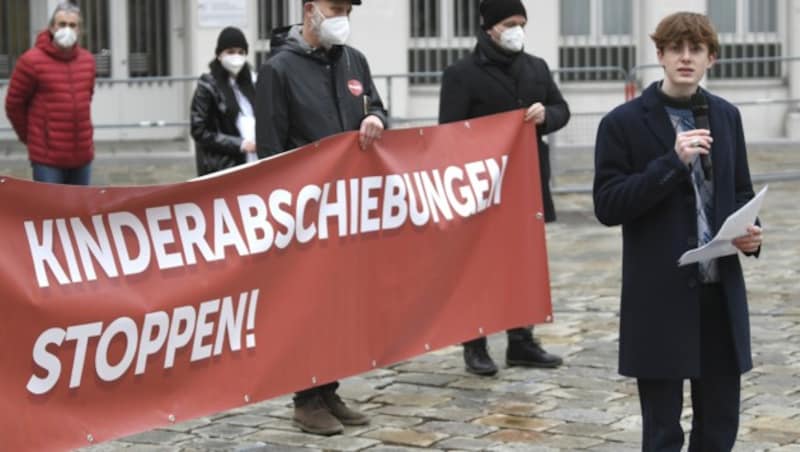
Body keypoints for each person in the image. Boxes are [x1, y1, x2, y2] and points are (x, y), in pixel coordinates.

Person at [593, 12, 763, 451]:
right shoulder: (623, 123)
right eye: (676, 49)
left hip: (718, 294)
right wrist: (671, 164)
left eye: (696, 50)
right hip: (659, 295)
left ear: (712, 58)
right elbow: (608, 205)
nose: (685, 57)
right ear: (661, 55)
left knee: (720, 425)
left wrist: (750, 233)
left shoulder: (726, 117)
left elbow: (740, 189)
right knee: (663, 430)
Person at [254, 0, 387, 436]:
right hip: (303, 212)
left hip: (346, 211)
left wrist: (374, 117)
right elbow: (271, 148)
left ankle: (328, 387)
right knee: (304, 305)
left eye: (348, 8)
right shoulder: (279, 69)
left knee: (339, 304)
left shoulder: (354, 61)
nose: (342, 16)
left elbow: (378, 107)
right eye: (335, 6)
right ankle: (305, 399)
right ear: (310, 9)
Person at [438, 0, 568, 377]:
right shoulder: (461, 74)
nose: (517, 30)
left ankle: (521, 340)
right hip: (481, 190)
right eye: (510, 23)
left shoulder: (536, 68)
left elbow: (562, 109)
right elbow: (450, 134)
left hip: (526, 186)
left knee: (523, 264)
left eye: (521, 23)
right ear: (490, 26)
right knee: (477, 267)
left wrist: (547, 116)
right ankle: (474, 343)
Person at [4, 2, 96, 185]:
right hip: (48, 160)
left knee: (80, 211)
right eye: (62, 24)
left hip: (81, 156)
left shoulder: (87, 61)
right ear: (52, 28)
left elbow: (87, 97)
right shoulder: (31, 61)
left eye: (72, 25)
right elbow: (14, 105)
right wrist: (32, 138)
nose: (67, 29)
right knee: (50, 212)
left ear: (79, 30)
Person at [190, 26, 257, 176]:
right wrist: (240, 145)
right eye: (230, 52)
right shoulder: (208, 86)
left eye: (241, 52)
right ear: (219, 55)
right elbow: (199, 131)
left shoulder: (252, 82)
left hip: (254, 161)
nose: (236, 57)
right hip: (224, 167)